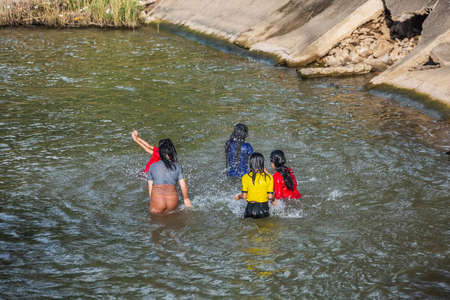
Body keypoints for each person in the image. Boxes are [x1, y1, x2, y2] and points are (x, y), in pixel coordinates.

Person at [147, 139, 191, 214]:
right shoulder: (177, 167)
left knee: (155, 223)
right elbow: (183, 186)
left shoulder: (152, 166)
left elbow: (150, 189)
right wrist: (186, 199)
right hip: (172, 202)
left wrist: (153, 201)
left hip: (157, 201)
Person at [234, 152, 274, 218]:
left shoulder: (245, 177)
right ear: (262, 163)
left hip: (249, 209)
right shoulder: (269, 177)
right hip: (263, 209)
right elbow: (270, 197)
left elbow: (244, 196)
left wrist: (238, 196)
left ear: (250, 163)